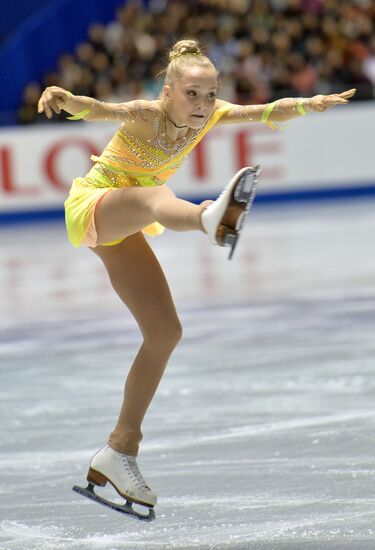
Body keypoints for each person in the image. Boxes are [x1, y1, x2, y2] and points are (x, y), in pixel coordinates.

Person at [37, 38, 356, 514]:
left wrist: (309, 104)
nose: (204, 106)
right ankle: (209, 218)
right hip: (98, 204)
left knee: (165, 332)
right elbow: (100, 109)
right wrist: (66, 100)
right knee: (152, 198)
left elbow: (268, 111)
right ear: (168, 92)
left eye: (210, 95)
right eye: (192, 94)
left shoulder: (214, 113)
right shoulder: (146, 112)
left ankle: (119, 450)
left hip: (123, 226)